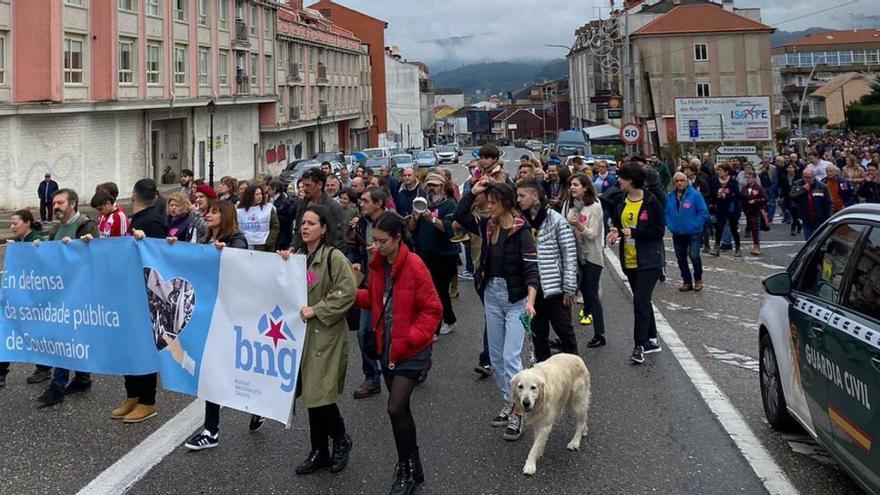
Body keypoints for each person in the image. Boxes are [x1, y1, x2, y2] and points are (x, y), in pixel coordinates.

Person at [353, 212, 442, 494]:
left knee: (394, 406)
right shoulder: (378, 266)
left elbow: (433, 310)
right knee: (400, 411)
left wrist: (410, 338)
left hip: (410, 349)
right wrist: (349, 293)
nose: (376, 246)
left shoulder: (415, 266)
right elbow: (375, 300)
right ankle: (412, 466)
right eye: (374, 241)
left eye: (382, 241)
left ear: (397, 239)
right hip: (386, 346)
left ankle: (405, 469)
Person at [280, 206, 357, 476]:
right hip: (303, 335)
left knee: (320, 394)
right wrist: (283, 262)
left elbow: (347, 291)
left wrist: (319, 309)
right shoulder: (299, 257)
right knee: (313, 395)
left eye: (311, 223)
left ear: (323, 229)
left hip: (326, 334)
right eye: (302, 223)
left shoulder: (333, 258)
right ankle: (319, 449)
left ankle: (341, 440)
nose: (304, 227)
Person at [182, 200, 265, 450]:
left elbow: (241, 268)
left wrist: (225, 254)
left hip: (231, 315)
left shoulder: (237, 240)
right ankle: (211, 430)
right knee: (212, 371)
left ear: (226, 216)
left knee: (234, 368)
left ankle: (259, 404)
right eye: (209, 211)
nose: (209, 215)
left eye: (216, 212)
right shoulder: (205, 240)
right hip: (209, 313)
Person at [462, 180, 537, 441]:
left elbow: (531, 268)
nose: (488, 206)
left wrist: (530, 300)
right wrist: (472, 191)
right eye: (487, 201)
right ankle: (509, 400)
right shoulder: (488, 225)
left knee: (510, 356)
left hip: (516, 299)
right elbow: (461, 216)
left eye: (493, 202)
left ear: (505, 203)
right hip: (492, 295)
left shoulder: (521, 230)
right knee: (495, 357)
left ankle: (519, 412)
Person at [35, 189, 99, 408]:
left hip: (79, 292)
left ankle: (57, 387)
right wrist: (38, 249)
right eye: (54, 203)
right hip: (59, 291)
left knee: (65, 339)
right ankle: (82, 378)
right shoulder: (55, 228)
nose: (56, 207)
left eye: (60, 202)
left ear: (73, 203)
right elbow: (49, 256)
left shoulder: (86, 226)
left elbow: (97, 257)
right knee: (71, 337)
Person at [114, 179, 168, 422]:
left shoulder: (152, 222)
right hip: (130, 291)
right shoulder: (141, 219)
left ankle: (148, 400)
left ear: (133, 197)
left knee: (142, 347)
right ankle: (133, 395)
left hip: (145, 295)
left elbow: (156, 258)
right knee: (127, 346)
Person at [606, 163, 666, 365]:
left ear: (631, 179)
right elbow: (620, 224)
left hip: (649, 260)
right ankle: (652, 339)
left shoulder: (651, 201)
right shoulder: (621, 200)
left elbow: (658, 232)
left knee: (640, 301)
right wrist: (615, 232)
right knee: (643, 301)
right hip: (629, 258)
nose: (619, 180)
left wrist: (635, 232)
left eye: (622, 177)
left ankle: (639, 346)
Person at [515, 180, 578, 362]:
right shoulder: (520, 221)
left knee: (565, 332)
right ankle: (544, 376)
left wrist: (569, 288)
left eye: (522, 196)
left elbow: (569, 254)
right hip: (532, 288)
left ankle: (573, 371)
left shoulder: (556, 220)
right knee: (538, 335)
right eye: (517, 196)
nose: (518, 200)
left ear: (535, 195)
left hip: (555, 288)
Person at [1, 210, 50, 388]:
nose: (12, 227)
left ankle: (44, 368)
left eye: (15, 223)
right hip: (22, 298)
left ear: (27, 223)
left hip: (36, 299)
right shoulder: (21, 243)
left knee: (37, 333)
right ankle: (2, 370)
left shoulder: (37, 242)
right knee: (9, 329)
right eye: (11, 224)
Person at [408, 173, 458, 335]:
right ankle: (447, 320)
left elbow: (450, 229)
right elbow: (411, 229)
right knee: (430, 291)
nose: (431, 188)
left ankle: (439, 326)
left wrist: (432, 219)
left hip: (444, 255)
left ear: (442, 187)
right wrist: (415, 218)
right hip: (425, 254)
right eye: (429, 185)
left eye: (434, 185)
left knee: (439, 290)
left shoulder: (449, 205)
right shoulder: (422, 204)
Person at [350, 187, 388, 399]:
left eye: (365, 201)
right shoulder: (362, 223)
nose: (361, 204)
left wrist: (382, 252)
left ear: (379, 203)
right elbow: (357, 247)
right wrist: (357, 260)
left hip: (391, 288)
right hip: (369, 284)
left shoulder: (393, 223)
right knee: (364, 333)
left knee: (393, 333)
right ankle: (372, 377)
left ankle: (416, 362)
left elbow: (407, 250)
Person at [561, 175, 607, 347]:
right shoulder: (568, 205)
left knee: (591, 295)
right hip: (572, 255)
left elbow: (593, 234)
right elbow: (561, 225)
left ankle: (600, 334)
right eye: (571, 185)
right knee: (570, 293)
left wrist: (578, 226)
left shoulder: (594, 207)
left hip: (591, 256)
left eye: (576, 185)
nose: (572, 188)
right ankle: (565, 335)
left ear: (585, 188)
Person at [666, 172, 709, 291]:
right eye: (677, 181)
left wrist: (696, 225)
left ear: (686, 181)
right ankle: (687, 281)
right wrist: (670, 225)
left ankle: (698, 279)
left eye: (682, 180)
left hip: (693, 232)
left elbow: (703, 212)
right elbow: (667, 213)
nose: (679, 183)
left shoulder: (695, 195)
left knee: (694, 256)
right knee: (680, 257)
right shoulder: (670, 197)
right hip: (677, 232)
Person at [293, 168, 346, 251]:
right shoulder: (302, 204)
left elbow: (339, 237)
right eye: (303, 185)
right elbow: (297, 231)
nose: (305, 189)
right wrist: (292, 248)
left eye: (308, 185)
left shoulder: (332, 207)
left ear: (320, 185)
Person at [709, 163, 742, 257]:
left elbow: (737, 195)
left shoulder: (733, 181)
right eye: (718, 170)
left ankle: (738, 247)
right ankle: (717, 247)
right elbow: (712, 193)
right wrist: (717, 195)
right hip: (720, 207)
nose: (719, 172)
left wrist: (726, 195)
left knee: (733, 228)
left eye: (721, 170)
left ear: (726, 172)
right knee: (719, 228)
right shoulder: (714, 180)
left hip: (732, 208)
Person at [790, 167, 831, 240]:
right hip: (805, 217)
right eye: (805, 177)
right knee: (809, 239)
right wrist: (803, 190)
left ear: (813, 176)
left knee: (818, 239)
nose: (807, 179)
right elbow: (792, 196)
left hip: (819, 217)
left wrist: (827, 217)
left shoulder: (821, 186)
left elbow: (827, 203)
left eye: (809, 177)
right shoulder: (797, 184)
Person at [237, 184, 279, 252]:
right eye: (257, 194)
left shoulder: (268, 209)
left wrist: (269, 242)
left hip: (263, 244)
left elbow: (275, 226)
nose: (260, 196)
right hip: (246, 244)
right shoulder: (240, 210)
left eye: (261, 194)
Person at [267, 179, 296, 250]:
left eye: (269, 189)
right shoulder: (271, 200)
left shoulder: (283, 202)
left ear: (274, 189)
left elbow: (284, 220)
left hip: (282, 237)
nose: (267, 191)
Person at [779, 162, 802, 236]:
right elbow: (782, 187)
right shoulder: (783, 176)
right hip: (787, 197)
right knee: (792, 213)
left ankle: (793, 229)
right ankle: (798, 225)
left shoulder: (798, 177)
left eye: (792, 167)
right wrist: (780, 196)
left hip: (796, 197)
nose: (790, 169)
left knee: (795, 214)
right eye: (789, 167)